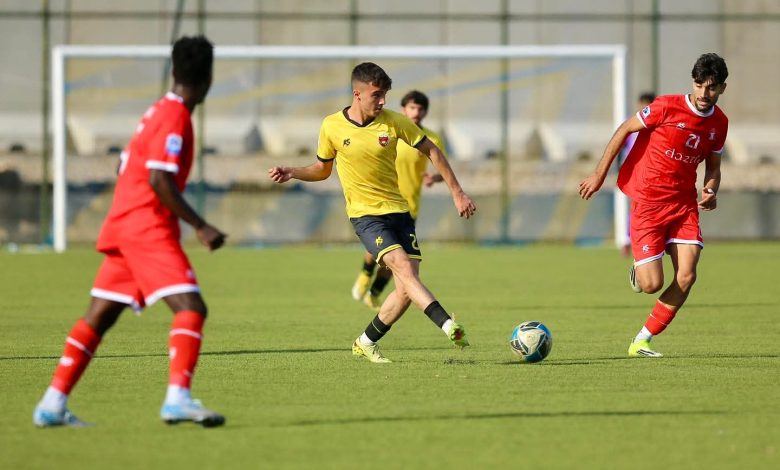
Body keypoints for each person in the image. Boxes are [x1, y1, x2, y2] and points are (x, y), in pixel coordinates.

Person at [33, 35, 227, 427]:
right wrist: (201, 225)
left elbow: (125, 166)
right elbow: (159, 179)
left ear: (174, 70)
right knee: (192, 308)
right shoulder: (174, 117)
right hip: (146, 227)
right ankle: (178, 399)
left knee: (100, 315)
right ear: (208, 77)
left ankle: (52, 404)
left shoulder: (155, 111)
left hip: (123, 224)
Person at [269, 63, 476, 363]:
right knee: (403, 268)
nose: (382, 101)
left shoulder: (394, 122)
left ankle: (365, 342)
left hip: (400, 212)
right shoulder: (332, 126)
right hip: (366, 216)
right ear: (358, 94)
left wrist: (457, 192)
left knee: (405, 290)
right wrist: (293, 171)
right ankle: (448, 325)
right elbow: (322, 170)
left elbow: (432, 150)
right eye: (377, 95)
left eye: (385, 95)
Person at [579, 53, 728, 358]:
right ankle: (640, 270)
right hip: (648, 203)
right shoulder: (665, 106)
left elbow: (713, 167)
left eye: (711, 87)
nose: (704, 93)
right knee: (651, 284)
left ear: (722, 88)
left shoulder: (719, 124)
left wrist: (711, 189)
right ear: (693, 82)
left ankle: (642, 340)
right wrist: (599, 174)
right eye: (699, 85)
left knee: (687, 276)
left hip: (683, 206)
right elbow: (625, 129)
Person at [351, 90, 444, 311]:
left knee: (400, 260)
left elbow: (442, 167)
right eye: (412, 107)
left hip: (409, 207)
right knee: (379, 248)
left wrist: (434, 178)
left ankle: (373, 293)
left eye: (420, 109)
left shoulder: (430, 139)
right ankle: (365, 274)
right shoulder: (392, 131)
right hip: (382, 201)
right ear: (403, 109)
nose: (416, 112)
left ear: (425, 112)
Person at [619, 91, 657, 257]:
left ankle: (638, 241)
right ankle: (629, 240)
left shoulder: (657, 125)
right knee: (637, 205)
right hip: (635, 173)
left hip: (653, 172)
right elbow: (621, 144)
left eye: (648, 105)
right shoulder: (632, 124)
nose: (644, 108)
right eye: (643, 104)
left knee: (645, 206)